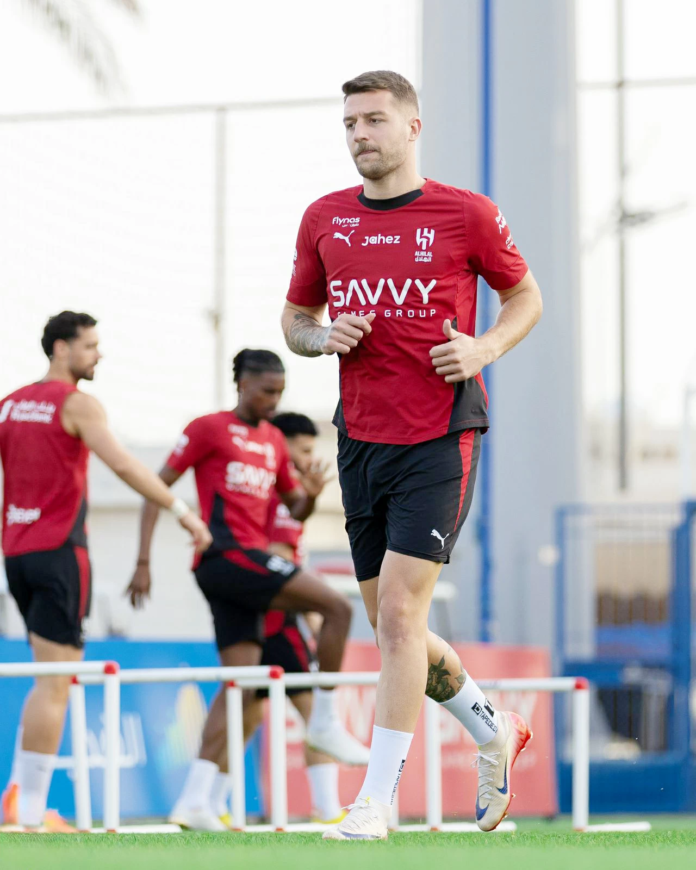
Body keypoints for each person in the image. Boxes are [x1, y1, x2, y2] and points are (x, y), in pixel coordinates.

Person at [281, 71, 543, 840]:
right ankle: (495, 727)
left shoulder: (466, 213)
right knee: (396, 628)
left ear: (412, 127)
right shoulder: (324, 218)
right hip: (360, 438)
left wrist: (485, 345)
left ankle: (376, 801)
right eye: (350, 124)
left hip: (440, 435)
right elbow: (296, 317)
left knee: (398, 614)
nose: (360, 134)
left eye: (373, 120)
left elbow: (524, 296)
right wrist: (319, 337)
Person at [127, 350, 367, 832]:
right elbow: (159, 488)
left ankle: (194, 800)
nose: (273, 401)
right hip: (225, 557)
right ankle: (323, 720)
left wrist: (313, 493)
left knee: (238, 688)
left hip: (248, 565)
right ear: (241, 384)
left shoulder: (274, 440)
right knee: (337, 607)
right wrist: (144, 560)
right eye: (265, 391)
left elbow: (293, 509)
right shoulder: (208, 428)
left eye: (279, 392)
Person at [0, 311, 212, 832]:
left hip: (17, 553)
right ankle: (29, 816)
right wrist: (183, 512)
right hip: (59, 552)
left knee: (42, 675)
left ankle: (18, 799)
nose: (99, 355)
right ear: (60, 349)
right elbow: (124, 465)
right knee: (56, 681)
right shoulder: (77, 403)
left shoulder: (8, 405)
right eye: (90, 346)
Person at [210, 411, 365, 826]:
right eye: (305, 450)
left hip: (267, 613)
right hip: (278, 617)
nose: (311, 458)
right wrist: (307, 603)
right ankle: (328, 809)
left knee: (245, 710)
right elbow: (274, 558)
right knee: (313, 711)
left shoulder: (282, 493)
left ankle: (209, 801)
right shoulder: (270, 494)